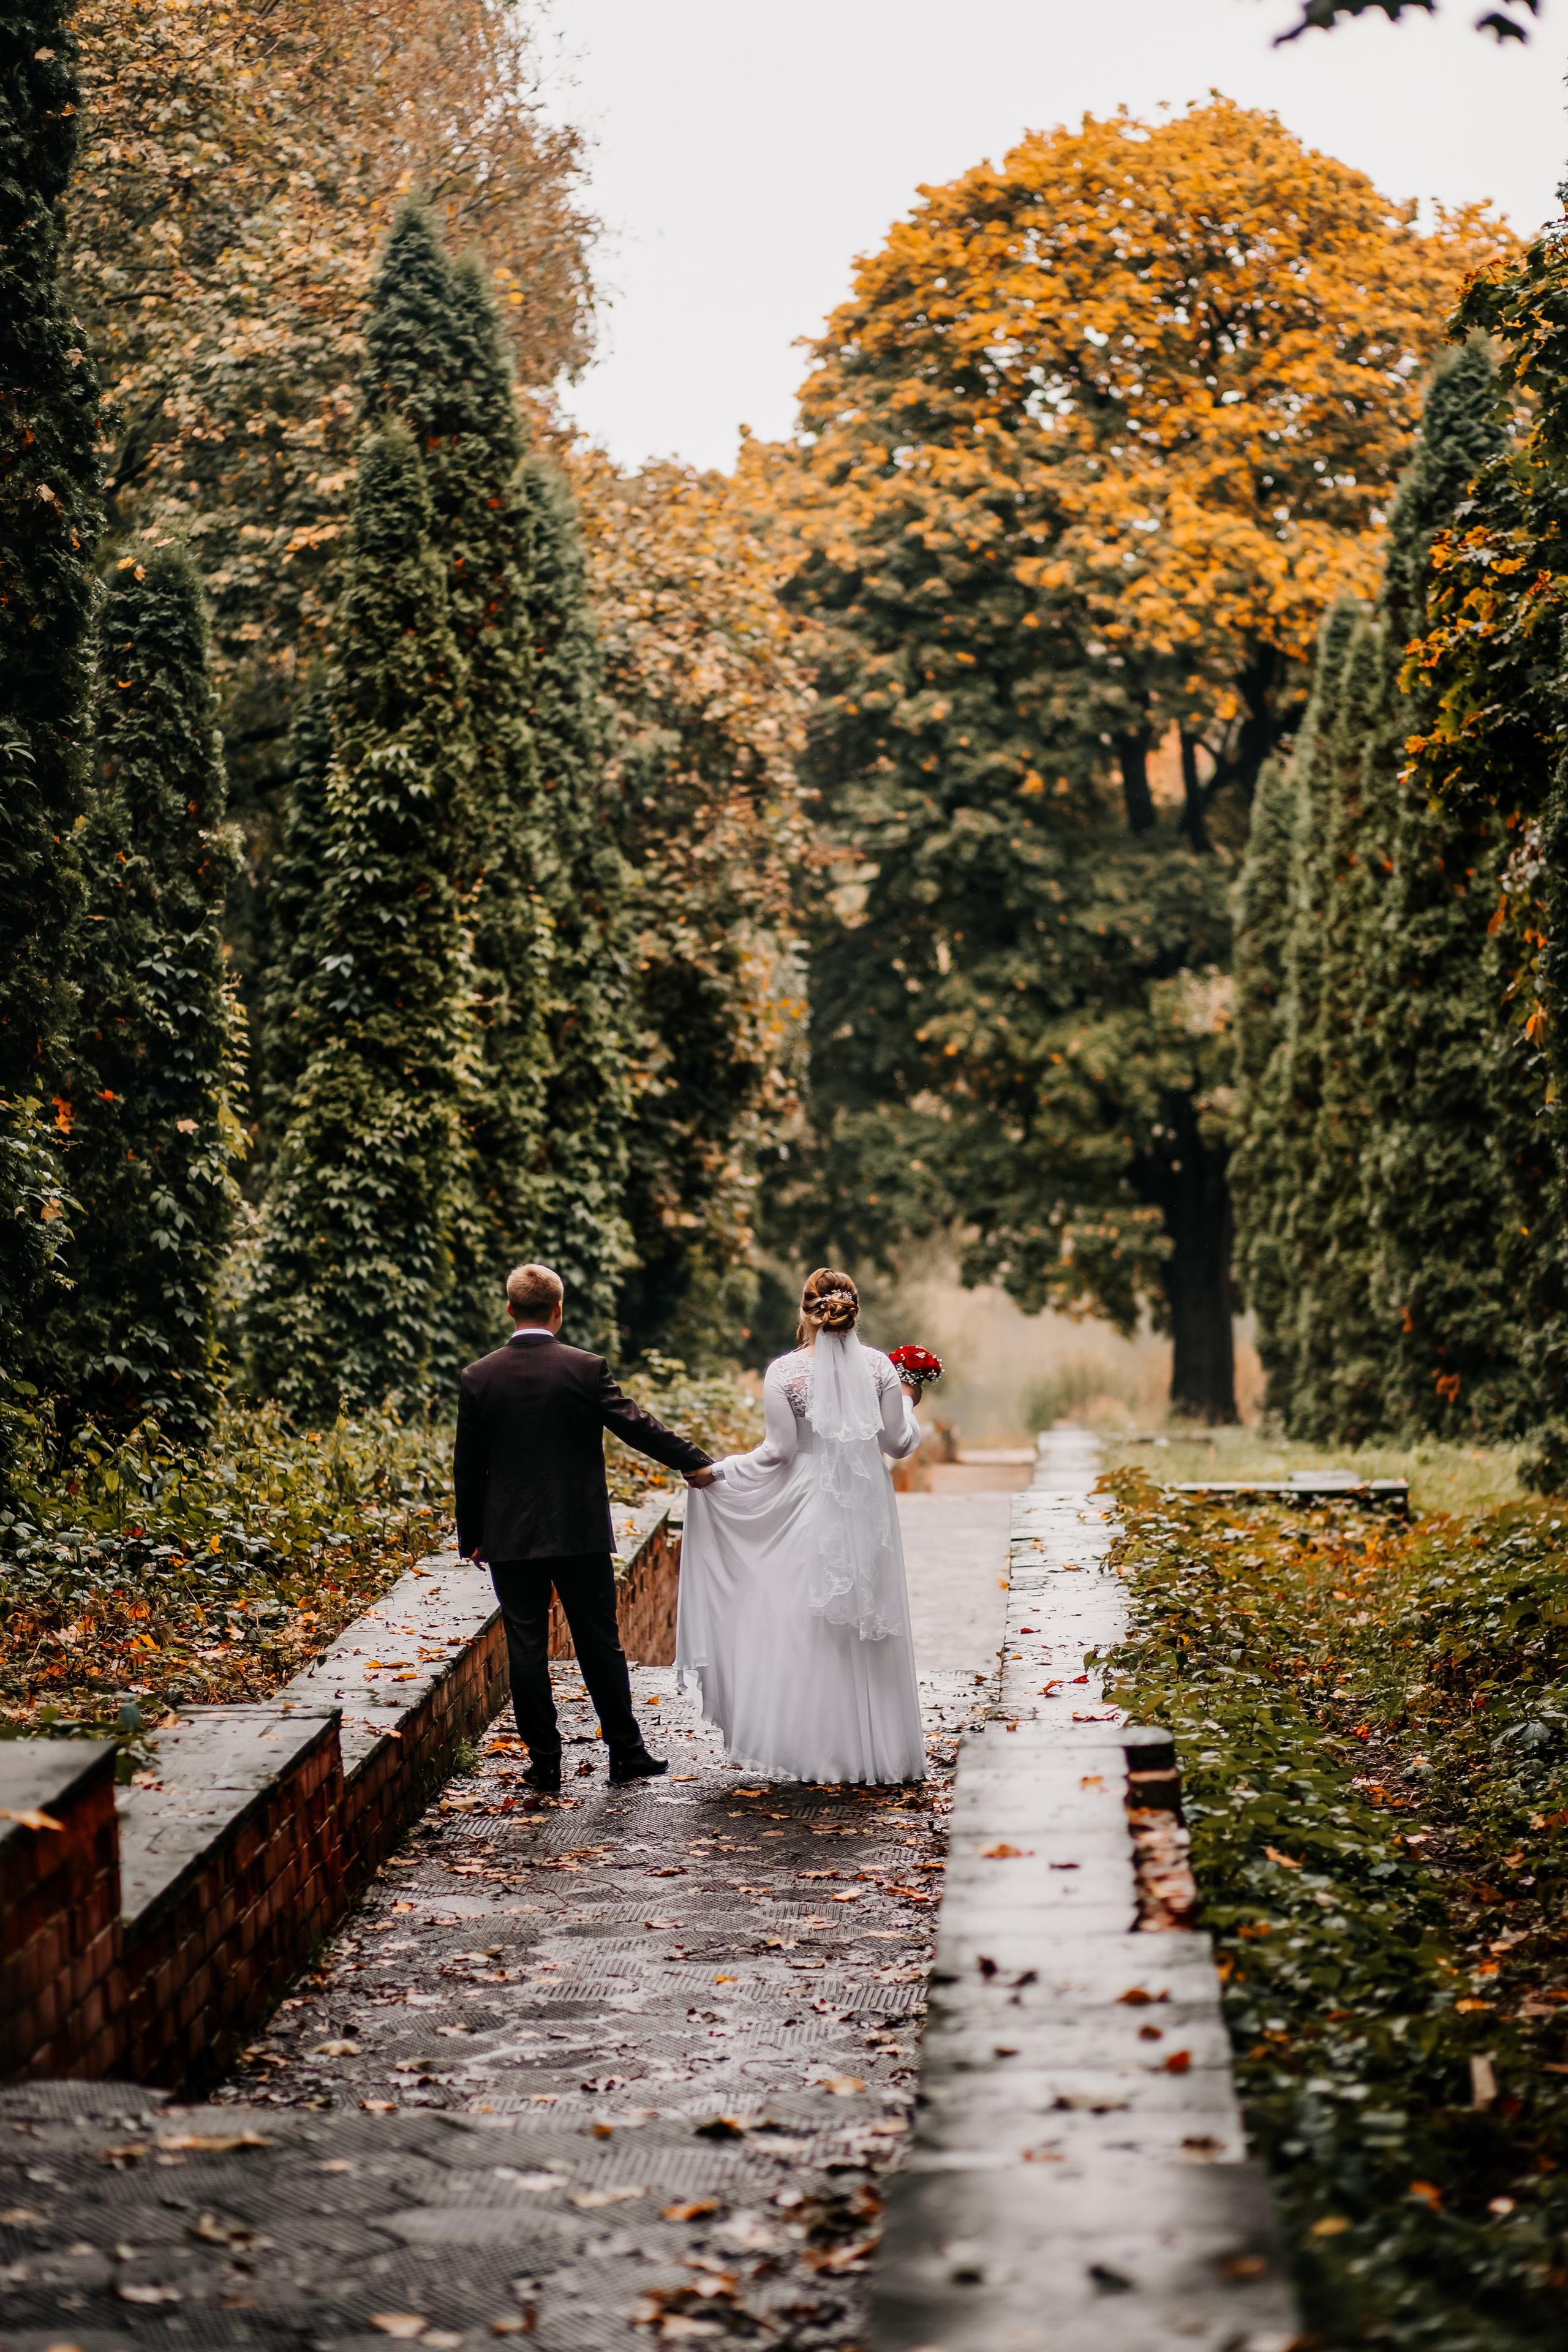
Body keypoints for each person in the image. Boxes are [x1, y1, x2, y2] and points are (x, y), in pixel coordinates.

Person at [454, 1262, 717, 1794]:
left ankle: (544, 1764)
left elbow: (469, 1465)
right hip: (578, 1531)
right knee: (600, 1642)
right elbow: (636, 1426)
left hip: (510, 1537)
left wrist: (473, 1535)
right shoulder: (583, 1368)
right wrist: (696, 1462)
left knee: (526, 1646)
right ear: (558, 1310)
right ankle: (627, 1753)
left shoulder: (479, 1376)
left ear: (510, 1308)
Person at [675, 1267, 925, 1784]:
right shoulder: (879, 1367)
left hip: (808, 1500)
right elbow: (898, 1444)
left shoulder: (785, 1373)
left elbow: (779, 1452)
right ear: (852, 1309)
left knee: (810, 1621)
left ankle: (820, 1752)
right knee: (869, 1617)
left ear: (805, 1311)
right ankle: (878, 1753)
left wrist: (719, 1471)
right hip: (867, 1503)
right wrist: (906, 1398)